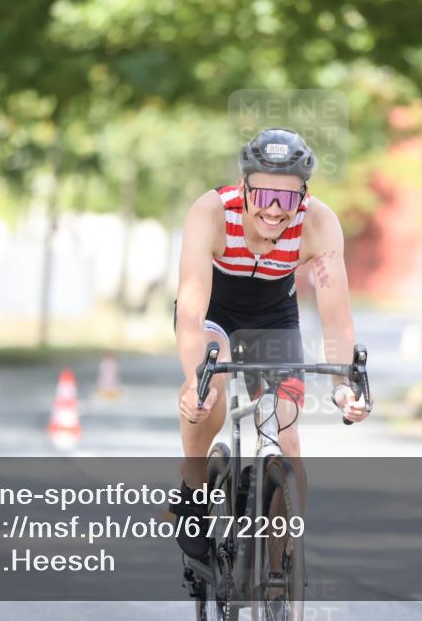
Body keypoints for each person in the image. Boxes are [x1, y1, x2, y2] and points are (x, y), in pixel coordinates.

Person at [170, 127, 370, 557]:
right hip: (213, 311)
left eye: (288, 198)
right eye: (263, 196)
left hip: (272, 315)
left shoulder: (318, 223)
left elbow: (335, 316)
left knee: (288, 433)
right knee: (210, 389)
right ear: (243, 188)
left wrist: (341, 386)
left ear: (305, 195)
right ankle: (193, 490)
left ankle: (279, 577)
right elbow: (190, 310)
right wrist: (193, 381)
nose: (276, 211)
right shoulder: (211, 213)